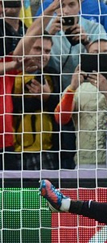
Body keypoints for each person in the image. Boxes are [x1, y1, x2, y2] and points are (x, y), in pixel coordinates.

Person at [54, 39, 107, 168]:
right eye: (95, 53)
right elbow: (61, 119)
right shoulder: (76, 88)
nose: (99, 57)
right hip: (86, 161)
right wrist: (72, 88)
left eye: (105, 53)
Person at [11, 33, 62, 170]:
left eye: (47, 51)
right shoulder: (10, 74)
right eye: (37, 49)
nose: (43, 55)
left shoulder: (53, 75)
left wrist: (47, 97)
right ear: (26, 48)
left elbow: (64, 111)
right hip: (14, 149)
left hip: (47, 150)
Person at [45, 0, 107, 90]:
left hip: (88, 88)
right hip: (53, 89)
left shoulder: (96, 28)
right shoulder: (45, 28)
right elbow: (34, 59)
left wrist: (87, 42)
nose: (66, 11)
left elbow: (104, 62)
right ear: (55, 8)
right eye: (61, 5)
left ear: (79, 6)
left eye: (71, 5)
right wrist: (48, 36)